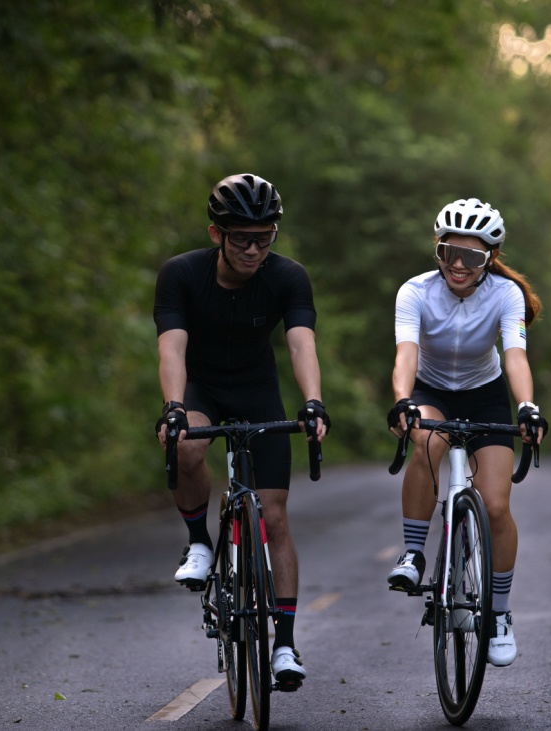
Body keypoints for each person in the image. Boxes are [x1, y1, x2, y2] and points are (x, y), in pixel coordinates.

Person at [153, 173, 330, 689]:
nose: (254, 249)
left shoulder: (288, 276)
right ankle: (198, 542)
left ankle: (285, 646)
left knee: (273, 515)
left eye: (265, 237)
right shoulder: (181, 275)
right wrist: (172, 408)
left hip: (257, 392)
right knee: (185, 443)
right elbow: (172, 348)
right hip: (202, 390)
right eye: (242, 239)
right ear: (216, 234)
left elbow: (301, 344)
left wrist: (313, 402)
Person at [385, 197, 547, 667]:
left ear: (489, 259)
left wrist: (527, 407)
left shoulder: (505, 294)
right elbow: (405, 355)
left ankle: (498, 615)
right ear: (437, 250)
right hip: (430, 388)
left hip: (484, 393)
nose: (457, 264)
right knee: (429, 441)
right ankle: (414, 555)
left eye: (471, 257)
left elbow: (514, 356)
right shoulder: (414, 291)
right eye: (447, 252)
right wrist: (402, 399)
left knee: (496, 505)